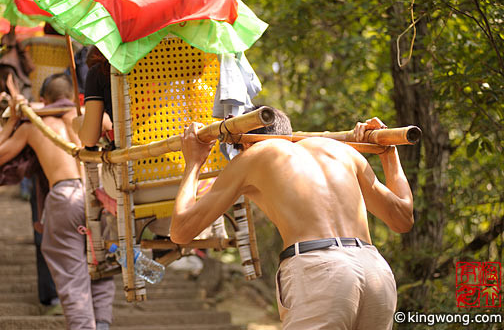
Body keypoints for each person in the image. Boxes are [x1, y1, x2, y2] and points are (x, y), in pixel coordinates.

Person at [171, 107, 414, 330]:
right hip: (374, 271)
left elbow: (181, 231)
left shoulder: (252, 156)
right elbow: (402, 219)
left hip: (320, 271)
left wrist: (193, 162)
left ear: (243, 143)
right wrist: (388, 152)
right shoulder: (343, 151)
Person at [0, 74, 115, 330]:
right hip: (99, 196)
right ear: (73, 96)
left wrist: (15, 121)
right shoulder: (87, 116)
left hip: (65, 197)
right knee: (101, 262)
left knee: (71, 271)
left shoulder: (34, 127)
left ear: (43, 100)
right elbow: (110, 125)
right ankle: (103, 324)